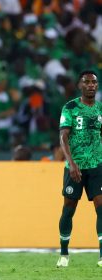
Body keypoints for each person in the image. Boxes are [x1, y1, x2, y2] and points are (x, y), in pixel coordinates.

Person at [56, 70, 102, 268]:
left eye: (94, 82)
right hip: (74, 168)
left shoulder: (100, 109)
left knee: (101, 208)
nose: (91, 85)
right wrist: (72, 163)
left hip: (96, 166)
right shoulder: (70, 107)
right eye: (87, 82)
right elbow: (63, 137)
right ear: (80, 85)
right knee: (68, 210)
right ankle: (64, 253)